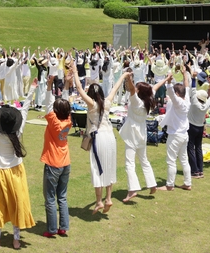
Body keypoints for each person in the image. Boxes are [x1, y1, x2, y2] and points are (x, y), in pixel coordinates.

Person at [0, 81, 37, 250]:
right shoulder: (18, 131)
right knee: (17, 204)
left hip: (0, 172)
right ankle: (16, 240)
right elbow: (25, 108)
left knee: (0, 205)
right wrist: (32, 88)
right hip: (17, 172)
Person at [71, 62, 124, 214]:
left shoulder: (91, 104)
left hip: (99, 137)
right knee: (109, 166)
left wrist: (75, 71)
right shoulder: (107, 102)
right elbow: (115, 87)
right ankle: (108, 198)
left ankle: (100, 201)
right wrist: (125, 76)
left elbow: (79, 89)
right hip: (110, 137)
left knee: (97, 168)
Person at [119, 71, 161, 202]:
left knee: (130, 162)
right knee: (144, 160)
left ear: (139, 92)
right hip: (141, 132)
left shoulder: (137, 101)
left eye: (137, 88)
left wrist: (128, 78)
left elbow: (131, 88)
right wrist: (166, 79)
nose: (135, 89)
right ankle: (152, 184)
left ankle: (132, 190)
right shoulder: (148, 99)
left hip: (133, 133)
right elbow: (154, 87)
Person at [40, 74, 72, 238]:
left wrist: (48, 85)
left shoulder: (53, 120)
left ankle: (52, 229)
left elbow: (47, 105)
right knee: (62, 197)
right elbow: (65, 103)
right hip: (65, 161)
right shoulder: (68, 119)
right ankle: (63, 227)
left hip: (53, 162)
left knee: (50, 198)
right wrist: (66, 84)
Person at [158, 67, 192, 191]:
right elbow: (186, 87)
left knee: (171, 160)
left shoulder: (178, 102)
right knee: (184, 160)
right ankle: (187, 183)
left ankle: (169, 185)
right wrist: (184, 75)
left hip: (175, 135)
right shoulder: (186, 99)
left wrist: (168, 80)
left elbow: (171, 92)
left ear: (178, 94)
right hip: (184, 135)